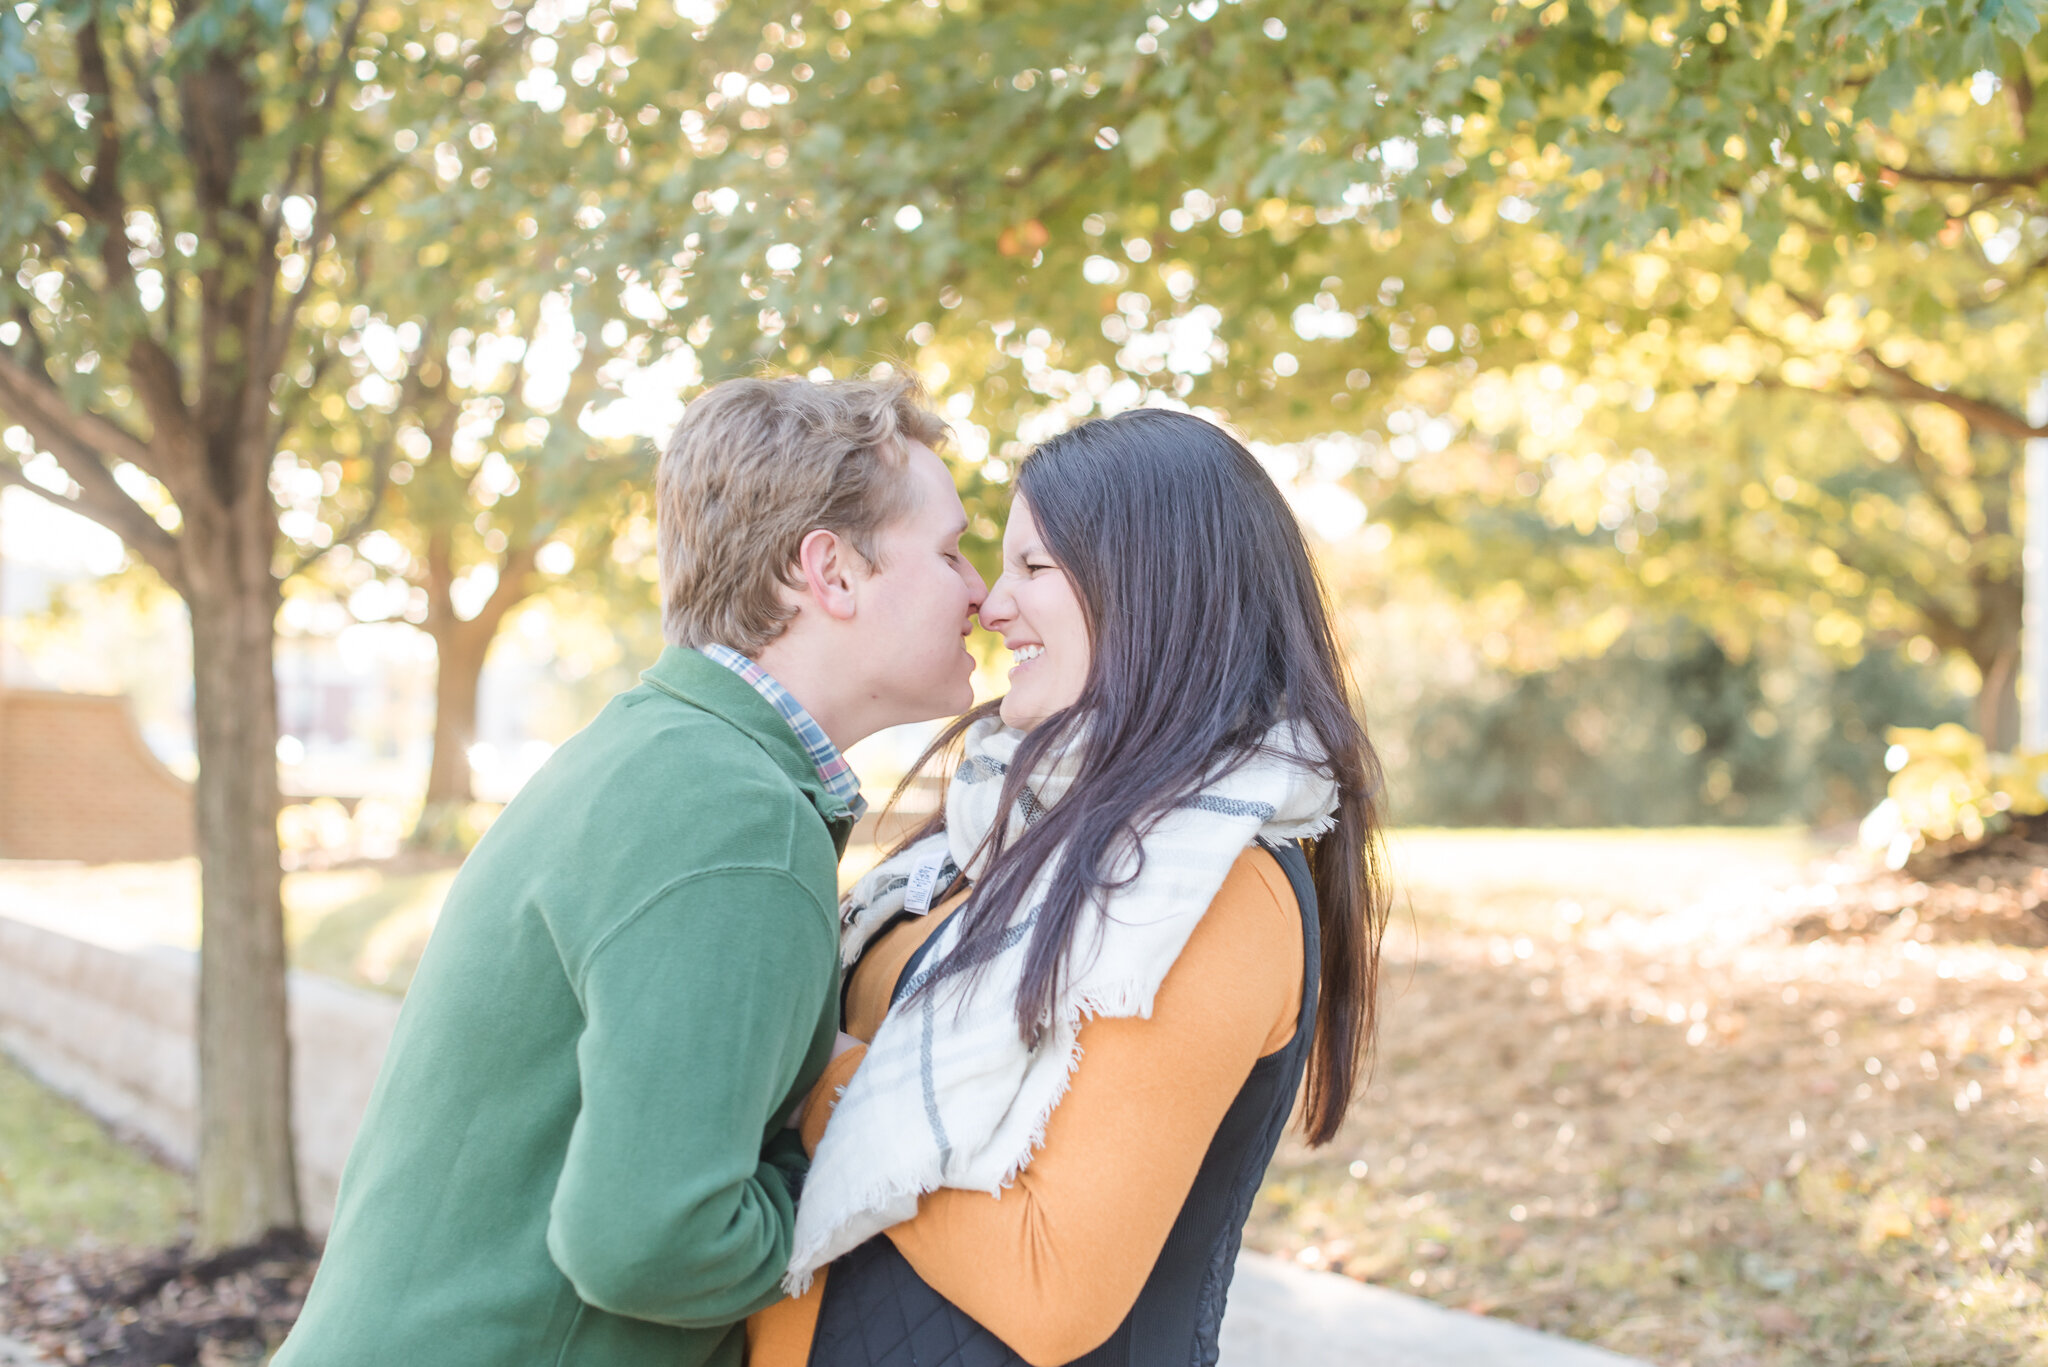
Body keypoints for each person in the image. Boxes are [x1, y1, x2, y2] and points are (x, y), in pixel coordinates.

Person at [276, 373, 986, 1367]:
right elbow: (646, 1239)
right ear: (829, 571)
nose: (982, 592)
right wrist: (842, 1194)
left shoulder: (660, 753)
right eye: (952, 550)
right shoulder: (732, 816)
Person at [748, 407, 1389, 1367]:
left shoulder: (1208, 886)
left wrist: (815, 1070)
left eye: (1032, 568)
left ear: (1159, 587)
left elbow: (1052, 1286)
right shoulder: (1001, 828)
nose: (991, 604)